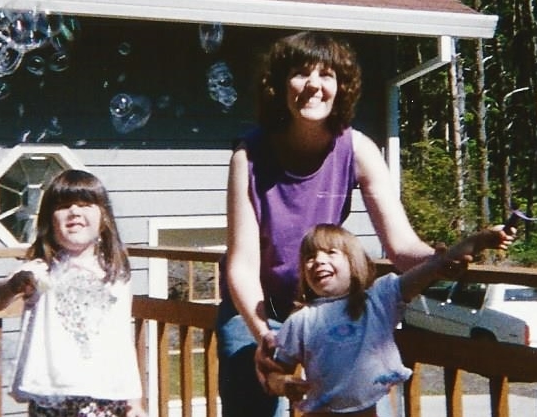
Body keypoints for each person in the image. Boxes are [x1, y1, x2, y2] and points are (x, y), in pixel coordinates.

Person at [217, 30, 436, 417]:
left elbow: (402, 247)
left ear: (341, 88)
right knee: (253, 400)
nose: (314, 85)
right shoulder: (248, 155)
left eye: (327, 74)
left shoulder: (358, 149)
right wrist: (264, 335)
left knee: (362, 400)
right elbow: (242, 265)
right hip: (258, 311)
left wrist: (449, 258)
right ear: (280, 85)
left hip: (329, 309)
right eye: (301, 73)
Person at [264, 223, 514, 417]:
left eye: (330, 252)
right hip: (323, 413)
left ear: (353, 263)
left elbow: (436, 266)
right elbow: (274, 372)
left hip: (374, 409)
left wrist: (479, 240)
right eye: (309, 257)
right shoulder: (301, 320)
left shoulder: (378, 299)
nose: (318, 261)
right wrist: (282, 384)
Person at [0, 169, 146, 417]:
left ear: (104, 218)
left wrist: (134, 400)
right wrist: (12, 286)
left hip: (105, 395)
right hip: (52, 397)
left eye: (85, 204)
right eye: (63, 206)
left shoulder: (115, 274)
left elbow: (121, 338)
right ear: (49, 221)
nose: (74, 211)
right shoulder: (39, 270)